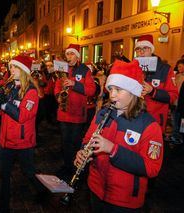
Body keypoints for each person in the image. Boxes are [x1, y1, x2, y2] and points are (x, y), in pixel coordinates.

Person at [75, 59, 163, 212]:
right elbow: (87, 139)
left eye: (119, 90)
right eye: (110, 89)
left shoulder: (148, 125)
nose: (112, 95)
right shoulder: (103, 114)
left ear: (133, 91)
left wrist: (113, 150)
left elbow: (151, 167)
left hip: (125, 200)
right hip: (96, 188)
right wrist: (83, 152)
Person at [0, 55, 44, 213]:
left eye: (14, 67)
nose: (10, 69)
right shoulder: (10, 87)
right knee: (3, 176)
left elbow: (22, 116)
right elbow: (2, 111)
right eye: (11, 67)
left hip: (23, 141)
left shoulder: (31, 92)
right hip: (5, 140)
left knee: (28, 171)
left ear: (22, 70)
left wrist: (4, 103)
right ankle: (3, 207)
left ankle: (42, 191)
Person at [54, 44, 96, 180]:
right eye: (68, 54)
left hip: (77, 114)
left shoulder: (84, 70)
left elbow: (92, 90)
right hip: (64, 112)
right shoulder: (62, 69)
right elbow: (57, 86)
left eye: (72, 54)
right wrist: (58, 97)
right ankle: (67, 166)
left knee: (75, 142)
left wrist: (74, 84)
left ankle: (75, 167)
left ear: (77, 56)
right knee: (65, 142)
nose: (69, 57)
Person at [134, 34, 178, 134]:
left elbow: (173, 96)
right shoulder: (133, 67)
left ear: (151, 50)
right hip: (134, 118)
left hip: (155, 121)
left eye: (145, 48)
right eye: (138, 49)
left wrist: (153, 91)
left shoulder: (165, 69)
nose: (141, 52)